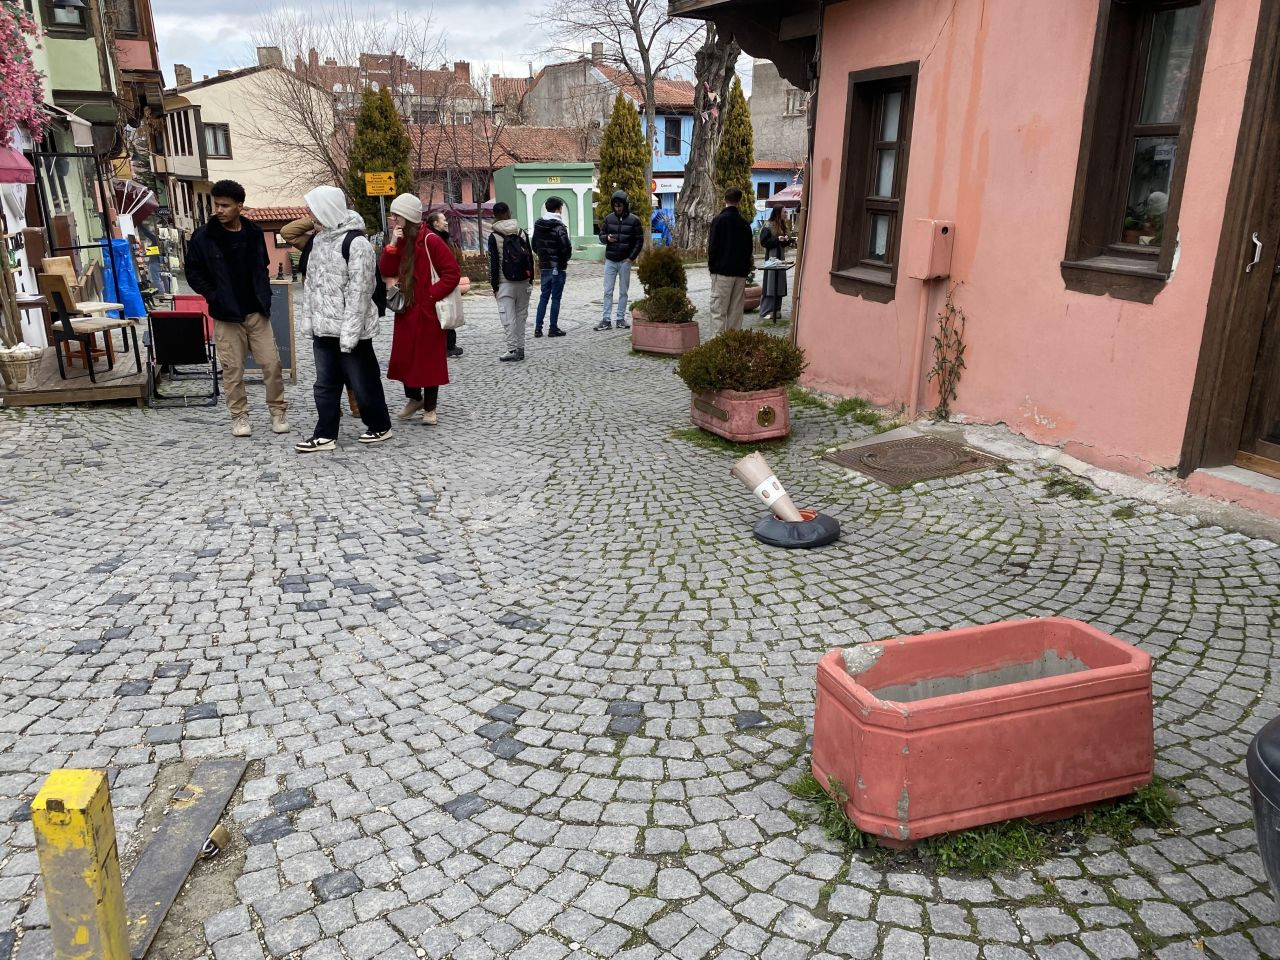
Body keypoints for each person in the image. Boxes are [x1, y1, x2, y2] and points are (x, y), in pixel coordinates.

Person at [184, 179, 287, 437]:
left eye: (225, 205)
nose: (219, 210)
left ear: (239, 206)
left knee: (272, 363)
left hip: (256, 311)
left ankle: (277, 412)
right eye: (216, 204)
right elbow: (193, 273)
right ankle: (239, 417)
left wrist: (263, 294)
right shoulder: (203, 236)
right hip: (226, 314)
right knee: (233, 369)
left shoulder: (253, 232)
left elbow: (262, 266)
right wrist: (213, 295)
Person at [294, 185, 392, 452]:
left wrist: (349, 335)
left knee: (363, 383)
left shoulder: (357, 243)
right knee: (324, 384)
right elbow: (311, 286)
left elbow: (361, 291)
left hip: (352, 331)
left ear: (326, 208)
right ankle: (325, 434)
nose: (310, 213)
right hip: (323, 329)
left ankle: (380, 426)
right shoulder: (318, 241)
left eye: (313, 208)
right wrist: (309, 322)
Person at [381, 194, 459, 426]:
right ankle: (414, 398)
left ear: (407, 216)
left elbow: (452, 273)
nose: (393, 219)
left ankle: (430, 408)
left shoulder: (431, 240)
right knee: (405, 358)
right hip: (406, 310)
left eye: (396, 215)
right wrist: (393, 245)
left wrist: (430, 297)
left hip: (427, 311)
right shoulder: (402, 240)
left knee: (429, 360)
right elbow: (386, 269)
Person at [281, 214, 362, 415]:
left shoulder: (346, 240)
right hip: (318, 310)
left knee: (348, 358)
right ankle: (334, 404)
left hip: (339, 309)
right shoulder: (310, 242)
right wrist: (313, 220)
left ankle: (355, 400)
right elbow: (286, 232)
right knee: (326, 364)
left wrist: (325, 218)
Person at [487, 201, 534, 362]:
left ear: (495, 216)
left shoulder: (494, 236)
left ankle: (512, 349)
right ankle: (521, 349)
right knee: (521, 316)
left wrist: (494, 286)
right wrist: (531, 279)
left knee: (508, 318)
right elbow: (530, 257)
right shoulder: (521, 232)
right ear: (509, 213)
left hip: (504, 282)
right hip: (524, 281)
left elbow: (493, 263)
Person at [707, 187, 755, 335]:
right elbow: (749, 250)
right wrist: (746, 270)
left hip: (721, 272)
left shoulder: (718, 220)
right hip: (739, 273)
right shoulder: (745, 224)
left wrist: (712, 268)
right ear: (739, 201)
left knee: (718, 311)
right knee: (735, 312)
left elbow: (712, 247)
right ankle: (733, 346)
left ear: (724, 199)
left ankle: (719, 347)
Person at [594, 190, 643, 331]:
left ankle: (620, 318)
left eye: (620, 206)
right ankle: (606, 319)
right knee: (608, 290)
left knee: (623, 292)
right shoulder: (609, 219)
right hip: (610, 260)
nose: (617, 208)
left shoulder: (634, 220)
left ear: (625, 205)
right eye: (615, 206)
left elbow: (639, 241)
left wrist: (630, 258)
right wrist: (606, 238)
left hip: (624, 261)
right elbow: (601, 235)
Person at [531, 197, 572, 338]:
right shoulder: (559, 227)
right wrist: (563, 260)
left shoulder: (538, 225)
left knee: (544, 297)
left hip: (544, 267)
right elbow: (565, 248)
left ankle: (538, 328)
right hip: (558, 267)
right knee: (555, 298)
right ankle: (553, 328)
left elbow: (534, 245)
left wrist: (543, 258)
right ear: (558, 208)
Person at [425, 211, 464, 358]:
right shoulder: (434, 238)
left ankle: (449, 344)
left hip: (443, 280)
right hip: (440, 281)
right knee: (443, 311)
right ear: (435, 223)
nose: (446, 222)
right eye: (443, 220)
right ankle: (447, 345)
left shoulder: (442, 237)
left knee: (446, 311)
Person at [758, 206, 794, 322]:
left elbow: (784, 244)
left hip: (781, 257)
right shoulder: (768, 225)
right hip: (771, 257)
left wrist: (786, 240)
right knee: (771, 282)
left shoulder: (783, 225)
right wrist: (777, 240)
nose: (786, 214)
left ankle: (776, 310)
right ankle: (766, 311)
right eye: (784, 212)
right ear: (778, 212)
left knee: (779, 282)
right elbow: (764, 242)